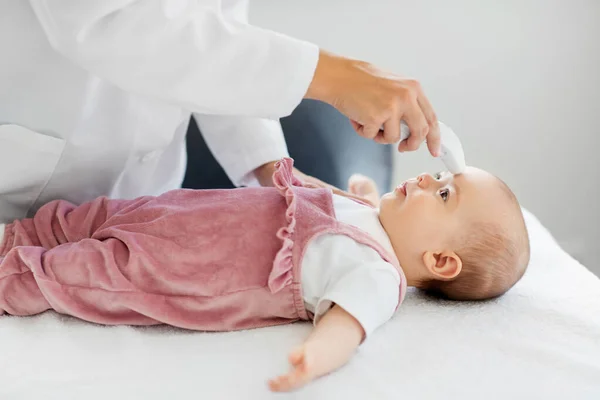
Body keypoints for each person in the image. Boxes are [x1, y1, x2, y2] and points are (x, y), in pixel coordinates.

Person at [0, 158, 530, 392]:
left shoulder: (376, 275)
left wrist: (314, 360)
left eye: (443, 193)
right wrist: (367, 192)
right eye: (440, 175)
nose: (427, 177)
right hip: (179, 212)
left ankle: (12, 277)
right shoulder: (372, 217)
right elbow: (342, 200)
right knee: (88, 218)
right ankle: (16, 237)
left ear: (440, 262)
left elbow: (347, 327)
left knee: (85, 273)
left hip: (188, 269)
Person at [0, 1, 440, 225]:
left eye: (445, 194)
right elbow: (105, 21)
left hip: (138, 209)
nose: (425, 182)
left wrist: (270, 166)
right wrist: (335, 76)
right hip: (20, 187)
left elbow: (216, 35)